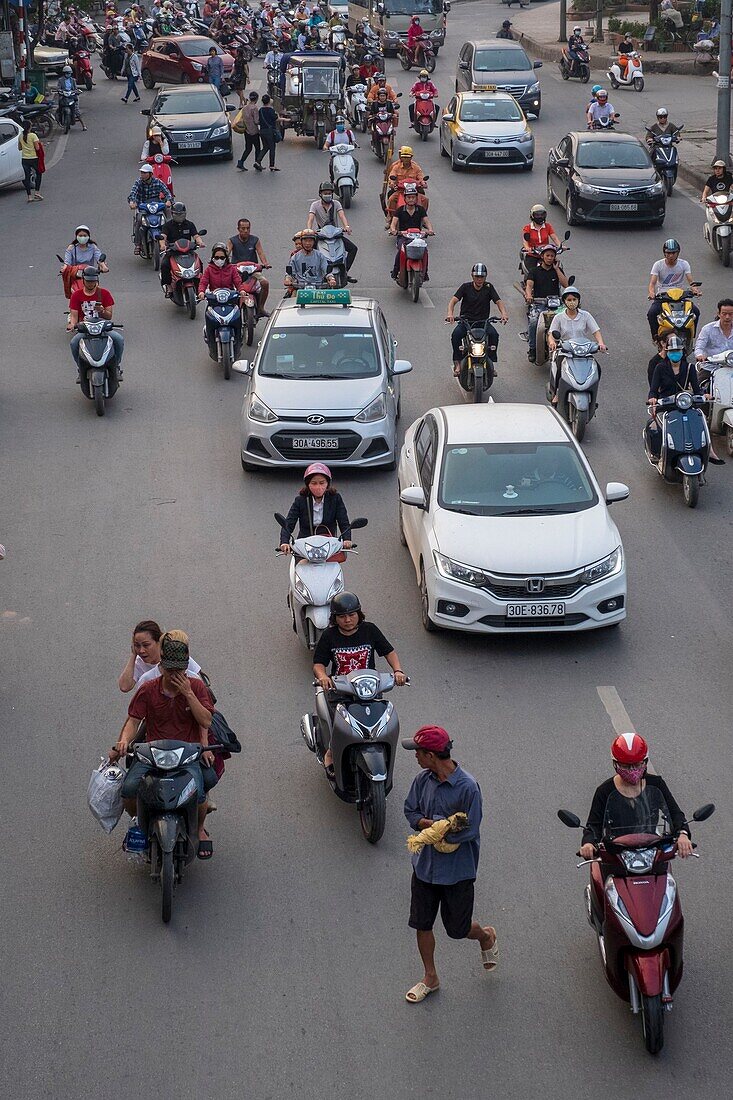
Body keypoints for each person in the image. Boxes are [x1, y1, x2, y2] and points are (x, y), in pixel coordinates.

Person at [402, 725, 498, 1004]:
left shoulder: (468, 787)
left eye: (418, 752)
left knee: (457, 929)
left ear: (431, 755)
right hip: (425, 867)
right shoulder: (422, 781)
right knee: (422, 923)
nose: (415, 757)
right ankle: (430, 977)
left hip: (457, 872)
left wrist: (442, 830)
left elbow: (471, 829)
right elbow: (410, 811)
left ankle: (485, 936)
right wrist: (428, 825)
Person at [110, 633, 217, 859]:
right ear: (161, 668)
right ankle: (139, 823)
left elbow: (206, 720)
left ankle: (197, 828)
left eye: (179, 671)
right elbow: (133, 720)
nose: (175, 676)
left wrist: (188, 694)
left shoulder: (196, 688)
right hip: (151, 754)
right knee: (128, 789)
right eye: (170, 671)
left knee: (200, 791)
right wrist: (124, 740)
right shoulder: (148, 689)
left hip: (187, 755)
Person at [313, 592, 407, 771]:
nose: (347, 620)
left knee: (382, 722)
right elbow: (318, 664)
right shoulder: (329, 636)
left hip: (369, 688)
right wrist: (323, 677)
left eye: (351, 615)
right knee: (338, 726)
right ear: (335, 618)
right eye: (342, 616)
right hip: (341, 690)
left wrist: (398, 671)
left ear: (359, 614)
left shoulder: (370, 630)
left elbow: (389, 652)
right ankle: (331, 752)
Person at [578, 733, 693, 861]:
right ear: (615, 764)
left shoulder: (656, 784)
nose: (632, 770)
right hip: (615, 854)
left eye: (637, 765)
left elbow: (675, 813)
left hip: (651, 850)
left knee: (668, 879)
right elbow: (593, 826)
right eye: (626, 766)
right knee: (599, 878)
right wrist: (588, 844)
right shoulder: (604, 791)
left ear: (645, 762)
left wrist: (683, 834)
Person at [645, 334, 722, 461]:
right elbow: (653, 390)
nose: (675, 353)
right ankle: (659, 454)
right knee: (658, 428)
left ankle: (708, 450)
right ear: (667, 352)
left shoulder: (690, 368)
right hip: (666, 404)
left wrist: (703, 396)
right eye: (672, 351)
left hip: (685, 402)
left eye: (678, 351)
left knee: (700, 421)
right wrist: (652, 399)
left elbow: (696, 389)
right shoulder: (660, 367)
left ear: (683, 352)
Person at [446, 264, 507, 375]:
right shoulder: (465, 287)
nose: (479, 279)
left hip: (483, 322)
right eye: (477, 276)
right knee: (456, 335)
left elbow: (498, 301)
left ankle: (491, 362)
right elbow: (453, 301)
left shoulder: (489, 287)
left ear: (485, 277)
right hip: (466, 322)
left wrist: (504, 313)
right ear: (472, 276)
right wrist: (450, 314)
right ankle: (458, 362)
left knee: (494, 335)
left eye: (482, 277)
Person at [547, 286, 606, 400]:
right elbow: (551, 334)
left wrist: (601, 343)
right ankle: (557, 393)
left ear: (578, 301)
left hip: (583, 351)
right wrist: (552, 342)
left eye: (574, 299)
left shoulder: (586, 315)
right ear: (564, 301)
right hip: (565, 350)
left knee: (596, 368)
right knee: (559, 368)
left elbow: (596, 331)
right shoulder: (559, 317)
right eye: (569, 300)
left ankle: (592, 393)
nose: (572, 302)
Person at [279, 463, 352, 551]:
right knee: (301, 564)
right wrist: (284, 542)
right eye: (314, 483)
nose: (318, 487)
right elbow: (289, 523)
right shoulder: (300, 500)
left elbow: (343, 522)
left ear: (327, 484)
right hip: (305, 545)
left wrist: (347, 539)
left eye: (322, 483)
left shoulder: (335, 498)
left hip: (328, 545)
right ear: (308, 484)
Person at [67, 267, 124, 381]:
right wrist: (72, 324)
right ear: (83, 280)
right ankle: (81, 369)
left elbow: (109, 316)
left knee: (119, 340)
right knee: (74, 343)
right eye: (88, 281)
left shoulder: (104, 293)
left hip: (102, 327)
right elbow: (74, 315)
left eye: (93, 281)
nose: (90, 283)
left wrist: (102, 311)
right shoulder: (76, 295)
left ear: (96, 280)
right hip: (85, 328)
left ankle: (116, 366)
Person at [118, 619, 202, 692]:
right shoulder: (139, 665)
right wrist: (133, 654)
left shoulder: (179, 659)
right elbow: (124, 687)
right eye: (137, 645)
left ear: (158, 642)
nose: (141, 650)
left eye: (146, 645)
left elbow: (202, 685)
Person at [647, 238, 701, 340]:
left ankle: (691, 336)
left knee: (695, 311)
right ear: (664, 253)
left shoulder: (684, 264)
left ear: (678, 253)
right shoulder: (658, 265)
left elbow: (690, 281)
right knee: (652, 313)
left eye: (673, 253)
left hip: (679, 295)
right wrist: (651, 293)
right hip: (663, 296)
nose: (671, 255)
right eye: (668, 253)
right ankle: (656, 337)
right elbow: (652, 283)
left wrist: (695, 290)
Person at [524, 245, 569, 362]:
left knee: (567, 319)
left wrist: (557, 269)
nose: (549, 258)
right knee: (534, 321)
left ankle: (569, 346)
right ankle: (533, 348)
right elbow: (529, 285)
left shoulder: (557, 271)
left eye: (552, 256)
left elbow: (566, 285)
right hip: (539, 303)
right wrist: (528, 295)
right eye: (547, 255)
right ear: (542, 256)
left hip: (556, 304)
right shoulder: (534, 271)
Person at [307, 181, 358, 278]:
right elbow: (311, 218)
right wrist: (309, 229)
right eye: (325, 193)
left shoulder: (336, 203)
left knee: (353, 249)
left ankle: (345, 271)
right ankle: (313, 272)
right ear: (320, 194)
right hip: (321, 234)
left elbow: (342, 215)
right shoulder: (315, 205)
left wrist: (346, 226)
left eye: (329, 193)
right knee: (309, 251)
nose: (328, 195)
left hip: (335, 234)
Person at [198, 242, 244, 346]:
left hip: (230, 299)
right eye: (217, 257)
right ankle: (209, 335)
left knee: (237, 317)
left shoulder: (231, 269)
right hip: (214, 299)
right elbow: (203, 282)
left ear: (226, 258)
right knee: (209, 316)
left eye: (222, 257)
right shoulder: (209, 269)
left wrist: (241, 290)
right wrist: (201, 292)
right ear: (213, 257)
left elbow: (237, 281)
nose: (219, 260)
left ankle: (239, 336)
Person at [159, 203, 205, 296]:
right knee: (164, 265)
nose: (179, 216)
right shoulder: (167, 226)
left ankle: (200, 285)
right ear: (172, 214)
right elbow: (163, 237)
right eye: (177, 214)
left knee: (200, 263)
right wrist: (162, 245)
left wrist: (200, 242)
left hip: (188, 251)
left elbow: (196, 236)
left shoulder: (190, 224)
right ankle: (169, 286)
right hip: (172, 252)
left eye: (181, 214)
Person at [389, 183, 434, 279]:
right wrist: (393, 230)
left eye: (413, 197)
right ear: (405, 199)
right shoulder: (400, 210)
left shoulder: (421, 210)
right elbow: (393, 223)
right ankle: (395, 271)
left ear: (416, 198)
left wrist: (430, 230)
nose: (411, 199)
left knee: (425, 251)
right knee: (401, 251)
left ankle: (425, 273)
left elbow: (427, 221)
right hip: (403, 237)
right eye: (409, 197)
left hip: (417, 237)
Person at [228, 218, 271, 314]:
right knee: (229, 287)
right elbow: (227, 253)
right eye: (243, 228)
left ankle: (260, 308)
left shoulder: (255, 240)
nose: (246, 231)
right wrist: (223, 261)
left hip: (253, 271)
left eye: (248, 228)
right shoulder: (232, 240)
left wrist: (265, 263)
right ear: (238, 229)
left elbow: (260, 252)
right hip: (237, 271)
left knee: (265, 283)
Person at [254, 94, 286, 171]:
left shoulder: (260, 110)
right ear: (269, 101)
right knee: (272, 148)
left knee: (265, 147)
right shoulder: (271, 111)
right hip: (270, 132)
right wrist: (285, 119)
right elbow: (276, 119)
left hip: (262, 131)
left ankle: (258, 161)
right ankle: (272, 165)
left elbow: (258, 120)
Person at [17, 120, 42, 203]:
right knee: (39, 174)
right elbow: (37, 148)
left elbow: (19, 148)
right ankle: (37, 192)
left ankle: (29, 196)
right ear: (30, 127)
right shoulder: (33, 135)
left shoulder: (20, 136)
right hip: (34, 158)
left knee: (27, 177)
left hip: (24, 159)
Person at [236, 91, 262, 170]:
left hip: (246, 130)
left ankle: (241, 162)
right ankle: (257, 163)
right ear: (256, 99)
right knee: (257, 148)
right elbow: (256, 121)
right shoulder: (254, 108)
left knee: (248, 148)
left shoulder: (245, 107)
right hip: (254, 131)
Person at [56, 64, 87, 131]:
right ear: (64, 73)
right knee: (60, 107)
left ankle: (83, 125)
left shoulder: (73, 80)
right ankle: (60, 119)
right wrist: (60, 91)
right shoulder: (60, 80)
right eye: (67, 73)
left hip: (71, 96)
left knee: (76, 110)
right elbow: (58, 88)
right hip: (63, 96)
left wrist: (76, 92)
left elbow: (75, 88)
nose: (68, 74)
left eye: (69, 73)